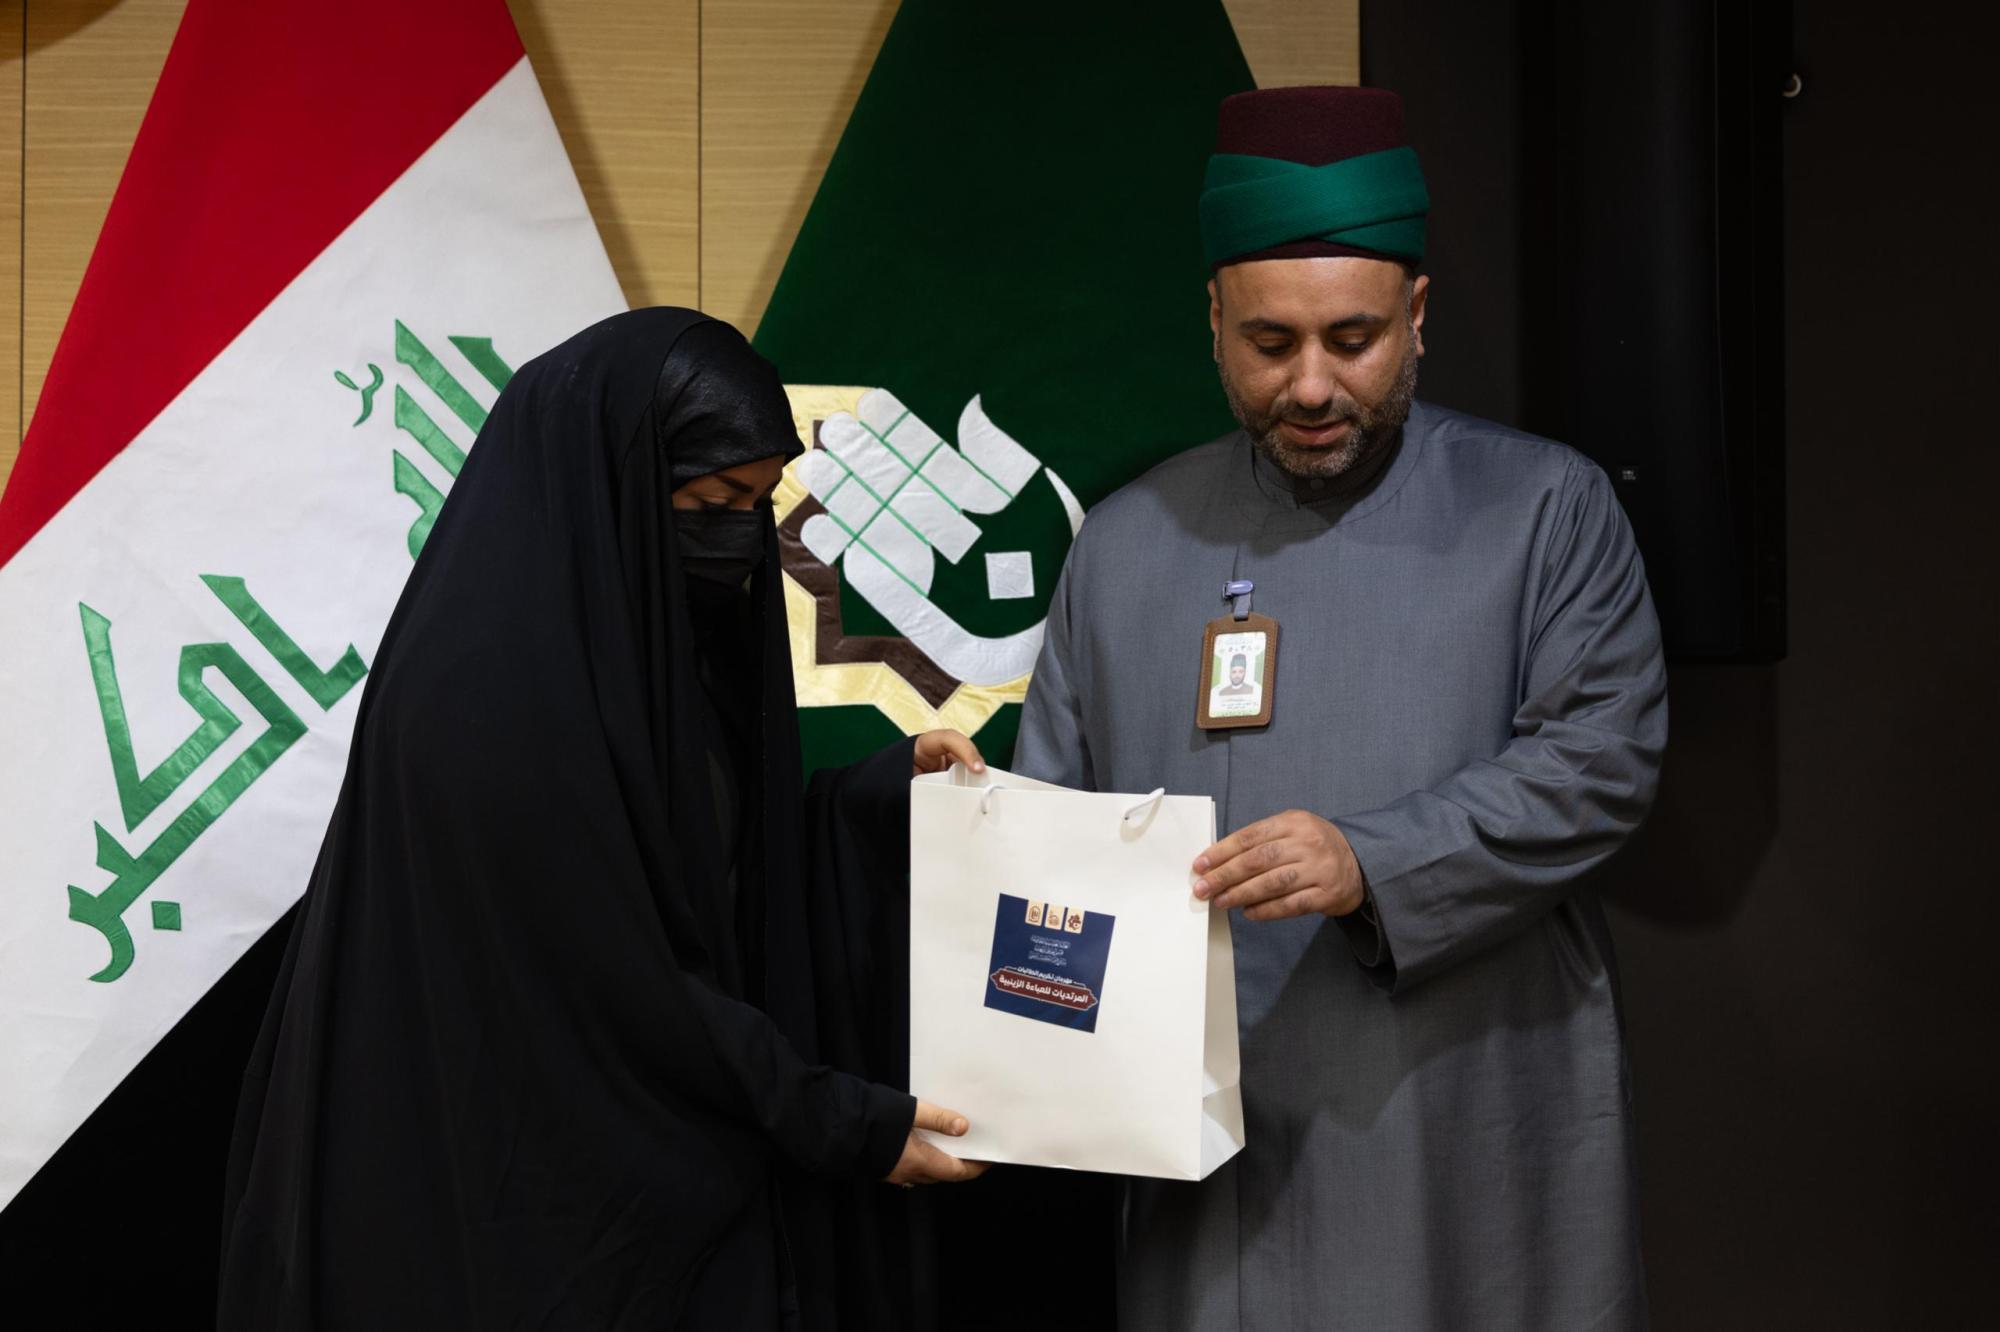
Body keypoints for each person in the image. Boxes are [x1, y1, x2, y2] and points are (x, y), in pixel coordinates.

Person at [1015, 86, 1666, 1330]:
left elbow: (1598, 763)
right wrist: (981, 825)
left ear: (1415, 315)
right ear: (1212, 321)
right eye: (1268, 345)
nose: (1310, 385)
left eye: (1351, 340)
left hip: (1450, 1111)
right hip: (1201, 1146)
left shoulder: (1544, 510)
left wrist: (1369, 859)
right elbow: (1057, 830)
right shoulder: (1123, 541)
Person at [219, 309, 986, 1330]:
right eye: (708, 502)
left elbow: (694, 876)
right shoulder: (480, 696)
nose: (735, 540)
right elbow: (615, 972)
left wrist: (875, 796)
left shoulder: (654, 656)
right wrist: (837, 1120)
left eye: (756, 506)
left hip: (629, 1203)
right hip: (509, 1216)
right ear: (612, 485)